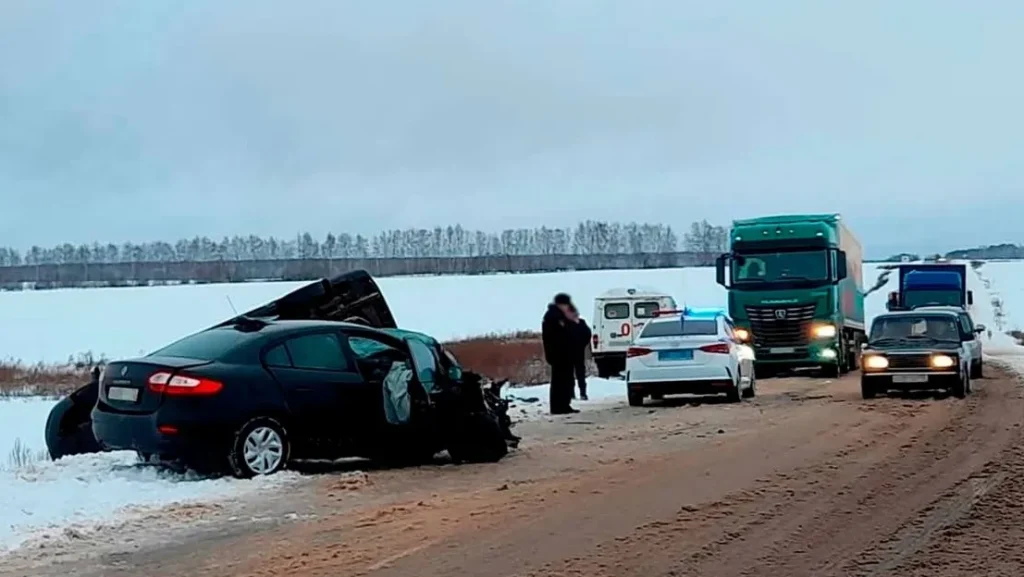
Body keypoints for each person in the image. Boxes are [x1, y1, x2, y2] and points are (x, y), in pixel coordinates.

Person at [542, 293, 578, 414]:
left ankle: (564, 404)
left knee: (566, 380)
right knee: (560, 381)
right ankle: (558, 406)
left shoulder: (559, 316)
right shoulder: (553, 316)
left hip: (564, 354)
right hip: (559, 354)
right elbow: (558, 336)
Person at [567, 304, 590, 400]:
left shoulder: (581, 323)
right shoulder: (566, 324)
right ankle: (571, 393)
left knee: (580, 374)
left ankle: (583, 393)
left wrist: (582, 345)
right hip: (567, 353)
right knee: (569, 375)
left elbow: (587, 334)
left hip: (578, 353)